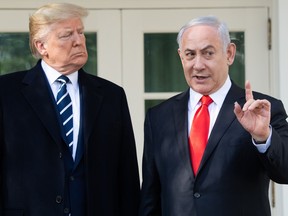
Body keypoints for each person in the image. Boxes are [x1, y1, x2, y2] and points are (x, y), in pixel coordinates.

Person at [139, 15, 288, 216]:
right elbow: (151, 196)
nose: (198, 64)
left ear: (229, 53)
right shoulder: (158, 117)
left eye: (208, 53)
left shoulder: (261, 110)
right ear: (181, 56)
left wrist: (263, 137)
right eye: (190, 54)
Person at [0, 3, 140, 216]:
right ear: (41, 46)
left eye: (80, 32)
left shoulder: (112, 96)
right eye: (67, 35)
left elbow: (126, 175)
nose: (79, 41)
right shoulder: (6, 93)